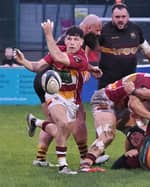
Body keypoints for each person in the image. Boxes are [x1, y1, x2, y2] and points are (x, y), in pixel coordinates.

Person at [15, 21, 89, 174]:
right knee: (62, 124)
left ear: (82, 42)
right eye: (69, 38)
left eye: (76, 39)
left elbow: (60, 58)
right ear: (65, 40)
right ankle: (63, 166)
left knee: (61, 131)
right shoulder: (58, 50)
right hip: (54, 96)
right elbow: (37, 67)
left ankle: (36, 122)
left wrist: (48, 34)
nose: (72, 42)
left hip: (72, 101)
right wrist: (23, 61)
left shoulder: (81, 58)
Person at [31, 14, 105, 168]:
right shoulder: (73, 41)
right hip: (52, 84)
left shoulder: (77, 40)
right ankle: (84, 158)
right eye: (97, 30)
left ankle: (40, 155)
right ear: (88, 28)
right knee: (74, 121)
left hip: (51, 83)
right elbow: (61, 60)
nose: (99, 33)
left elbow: (78, 64)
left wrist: (90, 69)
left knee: (60, 122)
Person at [79, 72, 150, 172]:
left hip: (123, 106)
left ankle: (130, 159)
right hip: (104, 99)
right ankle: (85, 165)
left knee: (138, 133)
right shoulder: (146, 81)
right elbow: (133, 105)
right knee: (108, 134)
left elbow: (138, 105)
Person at [98, 3, 150, 89]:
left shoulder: (135, 28)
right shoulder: (104, 30)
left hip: (129, 79)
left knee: (130, 102)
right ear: (112, 17)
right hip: (108, 80)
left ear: (128, 16)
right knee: (104, 102)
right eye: (117, 17)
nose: (120, 19)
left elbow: (144, 45)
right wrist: (88, 68)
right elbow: (89, 46)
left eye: (123, 17)